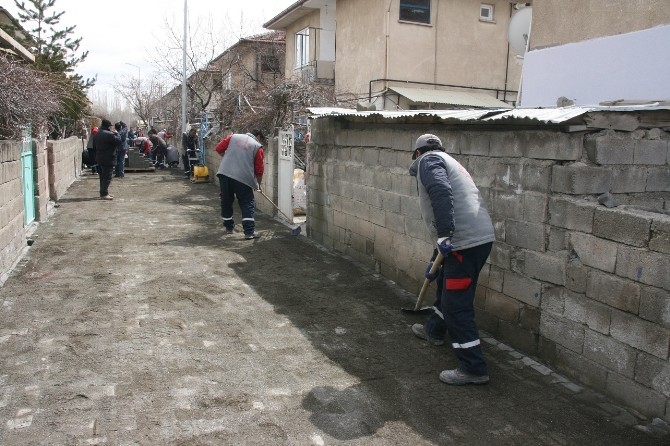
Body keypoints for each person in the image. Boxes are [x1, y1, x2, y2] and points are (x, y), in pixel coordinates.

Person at [409, 133, 495, 385]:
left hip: (463, 244)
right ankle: (434, 330)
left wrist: (446, 234)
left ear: (417, 154)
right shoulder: (448, 161)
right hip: (472, 240)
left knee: (457, 305)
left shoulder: (429, 161)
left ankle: (473, 367)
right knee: (445, 284)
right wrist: (435, 259)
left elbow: (441, 192)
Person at [215, 129, 265, 239]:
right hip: (243, 178)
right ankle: (249, 232)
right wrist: (258, 185)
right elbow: (259, 169)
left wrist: (226, 156)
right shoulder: (257, 146)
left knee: (226, 200)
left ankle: (228, 227)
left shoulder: (233, 137)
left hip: (225, 174)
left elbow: (218, 148)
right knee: (247, 202)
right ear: (258, 136)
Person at [93, 119, 122, 200]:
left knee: (102, 176)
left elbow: (94, 146)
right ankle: (104, 194)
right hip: (108, 158)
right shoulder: (109, 134)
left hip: (99, 157)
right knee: (107, 176)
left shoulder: (97, 134)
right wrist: (117, 133)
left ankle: (103, 192)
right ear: (108, 126)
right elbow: (119, 141)